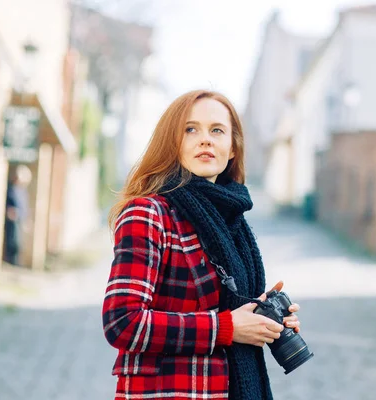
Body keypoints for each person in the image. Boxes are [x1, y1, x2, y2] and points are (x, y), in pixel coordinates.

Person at [103, 90, 301, 399]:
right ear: (173, 142)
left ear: (232, 147)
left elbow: (226, 307)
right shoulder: (148, 213)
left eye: (217, 130)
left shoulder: (233, 221)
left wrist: (262, 319)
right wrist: (225, 328)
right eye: (190, 129)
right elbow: (122, 321)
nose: (205, 139)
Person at [4, 164, 32, 266]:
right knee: (12, 243)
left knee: (18, 244)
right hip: (12, 221)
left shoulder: (22, 191)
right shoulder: (11, 190)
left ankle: (15, 264)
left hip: (19, 220)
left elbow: (24, 208)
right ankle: (11, 264)